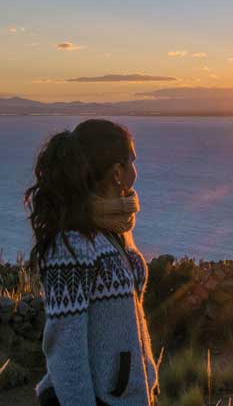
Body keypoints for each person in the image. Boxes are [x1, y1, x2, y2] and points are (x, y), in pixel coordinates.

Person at [24, 119, 159, 406]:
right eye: (132, 161)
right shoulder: (72, 245)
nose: (137, 170)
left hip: (130, 397)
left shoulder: (115, 229)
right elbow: (66, 351)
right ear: (117, 172)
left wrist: (147, 373)